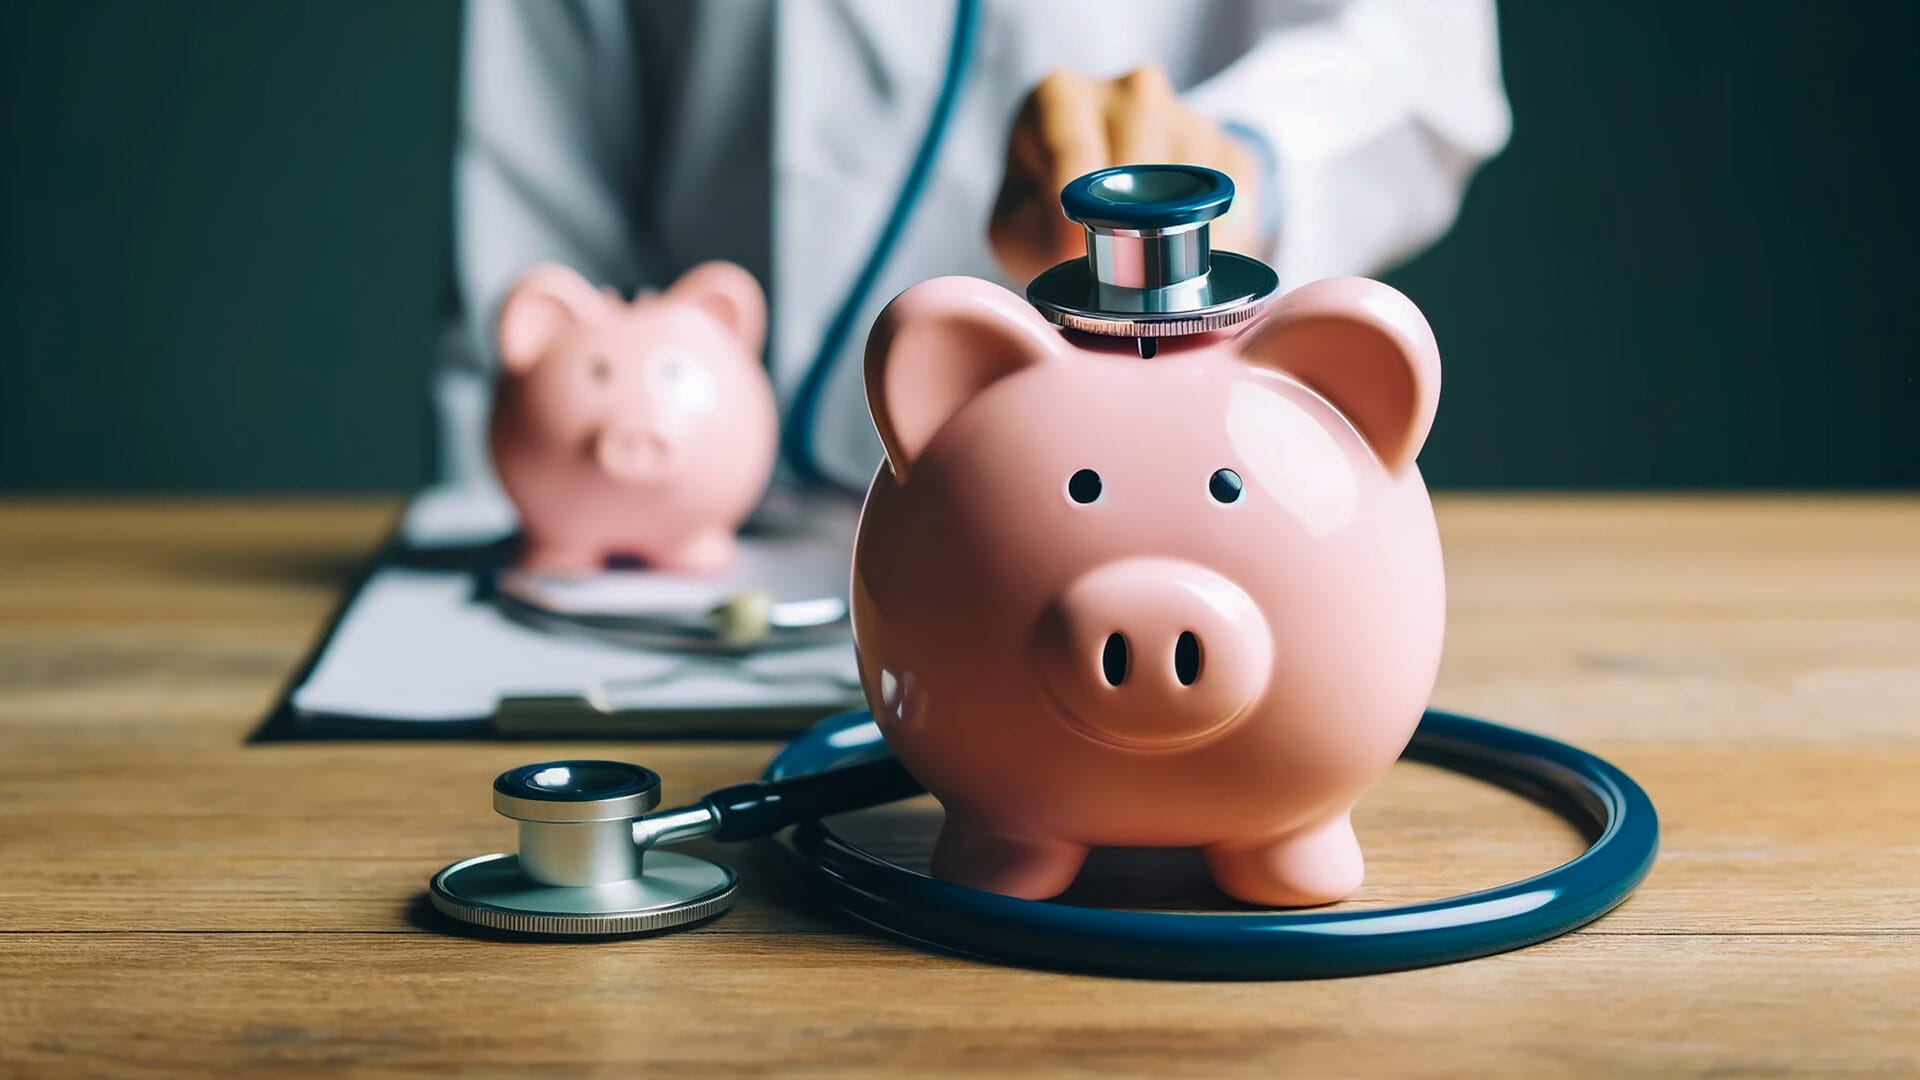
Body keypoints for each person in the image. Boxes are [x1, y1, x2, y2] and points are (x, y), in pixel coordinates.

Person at [438, 0, 1510, 501]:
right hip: (671, 531)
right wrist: (523, 517)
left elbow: (1413, 56)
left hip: (1140, 502)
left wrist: (1241, 161)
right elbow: (538, 193)